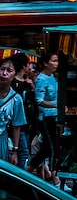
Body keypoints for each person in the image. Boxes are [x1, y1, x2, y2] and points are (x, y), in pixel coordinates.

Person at [29, 51, 60, 184]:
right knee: (53, 148)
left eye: (57, 61)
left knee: (47, 148)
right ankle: (55, 178)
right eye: (53, 60)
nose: (56, 63)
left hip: (54, 116)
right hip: (45, 117)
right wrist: (55, 106)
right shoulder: (41, 79)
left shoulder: (53, 77)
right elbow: (39, 100)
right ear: (46, 63)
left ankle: (28, 170)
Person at [10, 52, 37, 165]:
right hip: (16, 123)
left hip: (27, 123)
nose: (29, 67)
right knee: (24, 152)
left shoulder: (27, 83)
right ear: (23, 66)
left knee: (25, 151)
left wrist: (32, 86)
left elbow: (33, 101)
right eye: (27, 64)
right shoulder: (12, 83)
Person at [0, 58, 27, 168]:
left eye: (9, 70)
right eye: (2, 69)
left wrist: (15, 151)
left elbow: (16, 126)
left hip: (2, 141)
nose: (4, 73)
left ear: (14, 74)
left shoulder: (16, 99)